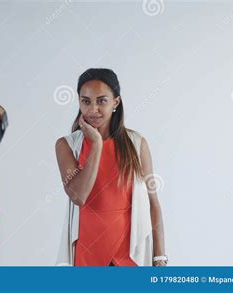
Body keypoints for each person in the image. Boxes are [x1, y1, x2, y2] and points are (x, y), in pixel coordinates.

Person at [55, 68, 167, 266]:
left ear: (116, 102)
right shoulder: (67, 145)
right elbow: (78, 195)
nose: (93, 109)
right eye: (86, 101)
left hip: (131, 256)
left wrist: (160, 258)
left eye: (101, 101)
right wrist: (96, 144)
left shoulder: (136, 143)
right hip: (88, 254)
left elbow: (153, 203)